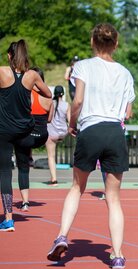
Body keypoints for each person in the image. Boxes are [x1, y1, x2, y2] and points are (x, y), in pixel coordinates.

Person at [47, 23, 135, 269]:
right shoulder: (125, 73)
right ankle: (117, 256)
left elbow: (78, 100)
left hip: (91, 128)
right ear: (116, 44)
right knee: (114, 198)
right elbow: (128, 111)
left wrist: (72, 124)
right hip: (115, 131)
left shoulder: (82, 66)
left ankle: (62, 235)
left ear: (92, 42)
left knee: (77, 187)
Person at [0, 40, 52, 232]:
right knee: (23, 165)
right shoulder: (31, 76)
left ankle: (8, 219)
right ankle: (25, 200)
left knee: (5, 173)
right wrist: (31, 87)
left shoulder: (2, 71)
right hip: (25, 131)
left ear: (9, 56)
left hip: (4, 131)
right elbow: (48, 94)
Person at [16, 67, 53, 211]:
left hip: (26, 137)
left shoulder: (25, 95)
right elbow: (49, 120)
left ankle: (25, 202)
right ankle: (29, 156)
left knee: (23, 168)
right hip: (42, 137)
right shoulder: (48, 98)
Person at [45, 85, 71, 186]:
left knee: (51, 156)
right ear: (63, 94)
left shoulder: (51, 103)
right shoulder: (67, 105)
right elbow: (69, 119)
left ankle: (54, 179)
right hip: (63, 132)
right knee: (54, 153)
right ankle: (52, 177)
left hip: (51, 133)